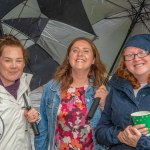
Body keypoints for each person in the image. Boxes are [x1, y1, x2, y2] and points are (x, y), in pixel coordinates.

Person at [34, 37, 108, 150]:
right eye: (75, 50)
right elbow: (43, 127)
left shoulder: (102, 91)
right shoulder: (52, 88)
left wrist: (104, 105)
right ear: (68, 58)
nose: (80, 54)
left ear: (93, 60)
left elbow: (111, 128)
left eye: (86, 51)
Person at [95, 34, 150, 150]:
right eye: (129, 55)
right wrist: (120, 135)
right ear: (124, 62)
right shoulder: (117, 88)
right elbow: (100, 132)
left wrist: (140, 142)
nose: (136, 58)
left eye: (142, 52)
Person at [0, 34, 39, 150]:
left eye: (19, 60)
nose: (14, 66)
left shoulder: (25, 88)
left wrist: (33, 116)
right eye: (8, 60)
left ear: (24, 64)